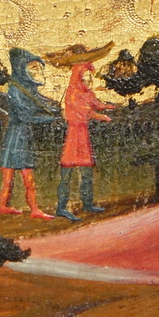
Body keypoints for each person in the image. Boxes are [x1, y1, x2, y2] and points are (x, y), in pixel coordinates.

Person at [0, 48, 60, 220]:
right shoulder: (15, 90)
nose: (34, 71)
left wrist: (52, 109)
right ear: (21, 67)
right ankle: (13, 207)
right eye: (31, 67)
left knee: (20, 178)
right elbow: (25, 116)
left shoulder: (27, 88)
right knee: (14, 178)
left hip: (23, 136)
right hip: (15, 137)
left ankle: (27, 208)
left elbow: (39, 102)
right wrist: (49, 118)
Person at [55, 60, 116, 222]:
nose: (88, 80)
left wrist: (108, 107)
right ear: (79, 76)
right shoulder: (72, 91)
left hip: (83, 134)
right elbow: (82, 111)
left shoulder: (87, 92)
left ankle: (87, 203)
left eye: (90, 77)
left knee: (87, 171)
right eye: (85, 77)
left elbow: (95, 104)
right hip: (73, 134)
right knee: (67, 172)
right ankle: (61, 207)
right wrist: (100, 115)